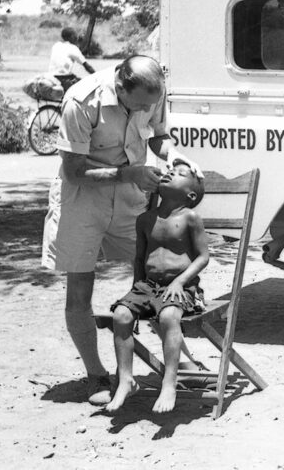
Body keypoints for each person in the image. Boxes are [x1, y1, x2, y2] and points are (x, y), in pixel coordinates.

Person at [41, 55, 200, 406]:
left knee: (157, 274)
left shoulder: (152, 92)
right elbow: (74, 171)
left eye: (149, 105)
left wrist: (174, 156)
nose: (146, 109)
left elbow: (159, 138)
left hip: (130, 197)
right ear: (120, 88)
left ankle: (181, 360)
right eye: (139, 104)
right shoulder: (81, 101)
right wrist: (130, 174)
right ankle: (96, 373)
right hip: (82, 198)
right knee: (79, 288)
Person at [105, 160, 209, 414]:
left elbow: (203, 257)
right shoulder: (145, 219)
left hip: (181, 288)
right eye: (171, 170)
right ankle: (126, 379)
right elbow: (139, 259)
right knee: (121, 315)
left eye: (180, 174)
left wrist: (179, 281)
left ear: (190, 195)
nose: (171, 172)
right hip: (147, 287)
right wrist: (134, 297)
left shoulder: (190, 218)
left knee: (168, 317)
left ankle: (169, 382)